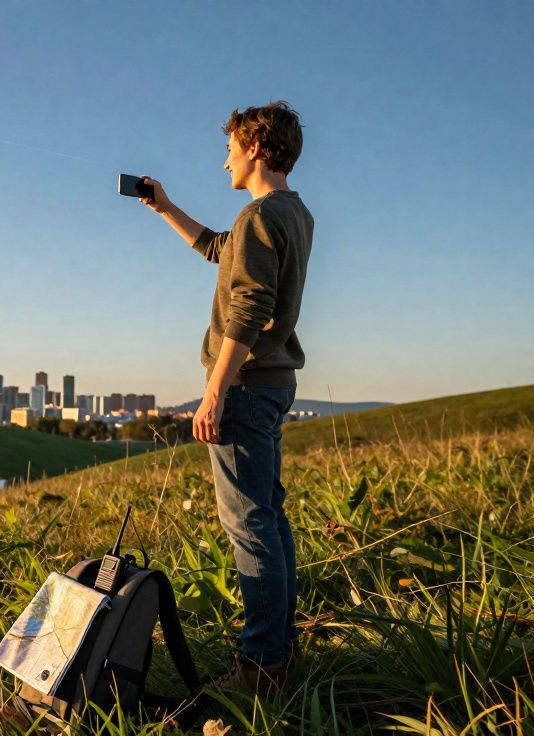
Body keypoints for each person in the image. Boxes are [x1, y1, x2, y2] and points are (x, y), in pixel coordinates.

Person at [140, 101, 313, 696]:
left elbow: (248, 307)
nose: (225, 161)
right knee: (268, 515)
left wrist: (213, 393)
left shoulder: (262, 216)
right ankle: (280, 649)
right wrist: (166, 209)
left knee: (249, 526)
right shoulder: (289, 214)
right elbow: (221, 248)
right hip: (272, 384)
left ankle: (260, 666)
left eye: (231, 149)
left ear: (256, 148)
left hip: (244, 387)